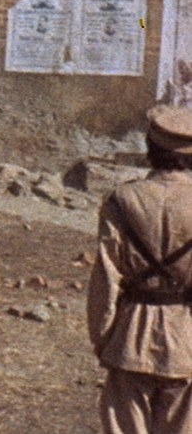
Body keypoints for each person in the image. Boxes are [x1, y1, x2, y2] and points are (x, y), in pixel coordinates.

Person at [88, 105, 192, 434]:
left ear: (150, 147)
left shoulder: (122, 200)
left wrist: (104, 338)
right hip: (186, 341)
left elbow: (106, 277)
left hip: (130, 337)